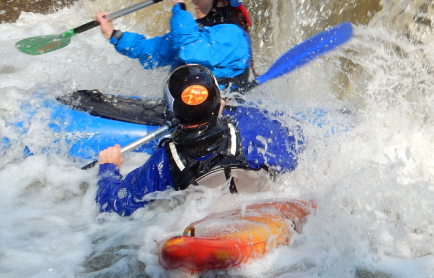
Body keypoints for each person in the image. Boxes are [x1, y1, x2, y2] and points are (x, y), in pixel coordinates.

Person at [95, 65, 300, 217]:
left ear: (172, 109)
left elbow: (117, 204)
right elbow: (292, 156)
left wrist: (108, 169)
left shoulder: (165, 160)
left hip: (204, 224)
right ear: (217, 101)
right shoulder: (252, 127)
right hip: (262, 213)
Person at [94, 0, 255, 90]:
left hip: (217, 114)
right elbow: (153, 51)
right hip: (186, 111)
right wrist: (113, 34)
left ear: (222, 2)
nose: (194, 0)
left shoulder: (233, 34)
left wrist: (179, 5)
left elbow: (191, 52)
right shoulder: (195, 32)